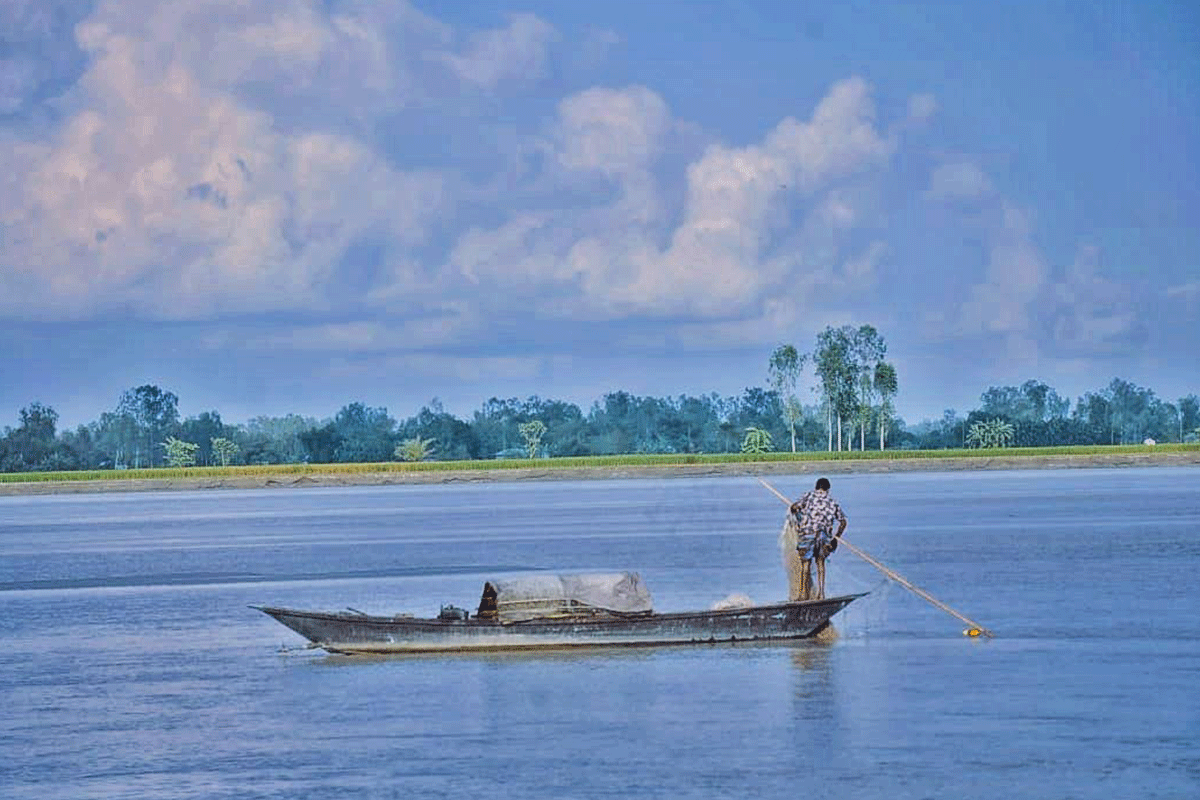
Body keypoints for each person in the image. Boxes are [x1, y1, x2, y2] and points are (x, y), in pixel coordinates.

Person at [781, 477, 847, 600]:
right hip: (824, 536)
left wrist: (794, 510)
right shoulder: (833, 502)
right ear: (827, 489)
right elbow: (843, 522)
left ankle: (802, 595)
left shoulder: (809, 496)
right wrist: (836, 538)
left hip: (808, 534)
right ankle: (821, 594)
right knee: (820, 563)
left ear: (816, 487)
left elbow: (795, 508)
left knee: (806, 564)